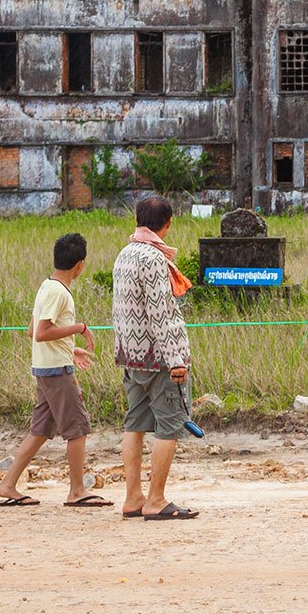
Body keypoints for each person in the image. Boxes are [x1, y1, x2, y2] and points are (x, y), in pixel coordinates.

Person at [0, 233, 107, 509]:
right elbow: (42, 332)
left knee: (41, 430)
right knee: (77, 429)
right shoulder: (59, 292)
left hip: (46, 368)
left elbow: (32, 330)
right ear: (80, 265)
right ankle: (77, 490)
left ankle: (7, 484)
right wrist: (79, 329)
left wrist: (70, 348)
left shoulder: (46, 286)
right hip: (56, 372)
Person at [113, 196, 199, 521]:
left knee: (134, 424)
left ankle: (133, 497)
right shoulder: (153, 258)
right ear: (167, 224)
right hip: (159, 358)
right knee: (170, 425)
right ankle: (156, 500)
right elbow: (161, 314)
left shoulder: (124, 254)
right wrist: (176, 358)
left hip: (131, 356)